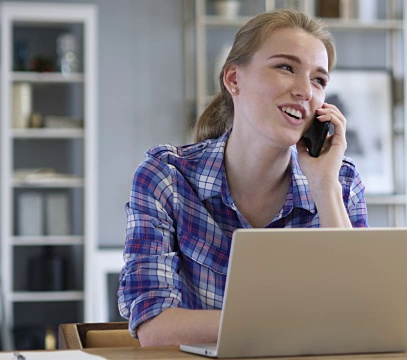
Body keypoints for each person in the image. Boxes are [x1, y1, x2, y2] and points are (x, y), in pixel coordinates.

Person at [117, 8, 368, 347]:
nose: (305, 91)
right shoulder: (167, 177)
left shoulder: (341, 183)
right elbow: (155, 326)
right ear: (234, 79)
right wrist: (301, 323)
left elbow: (362, 318)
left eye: (318, 80)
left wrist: (325, 186)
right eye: (285, 67)